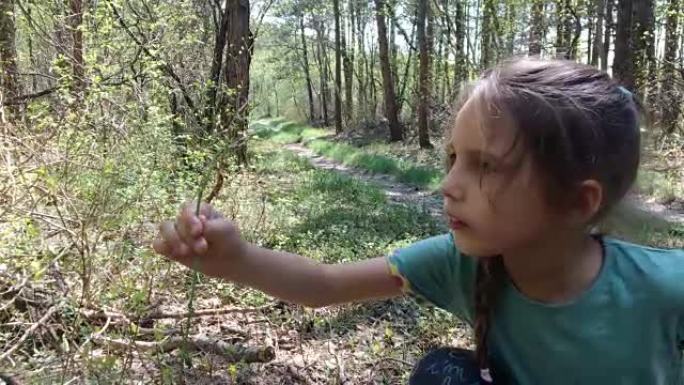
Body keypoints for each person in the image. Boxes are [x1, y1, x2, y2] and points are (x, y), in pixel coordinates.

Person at [153, 58, 684, 384]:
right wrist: (235, 259)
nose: (449, 185)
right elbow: (322, 284)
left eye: (485, 166)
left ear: (576, 202)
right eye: (453, 158)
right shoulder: (463, 264)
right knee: (443, 375)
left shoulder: (665, 287)